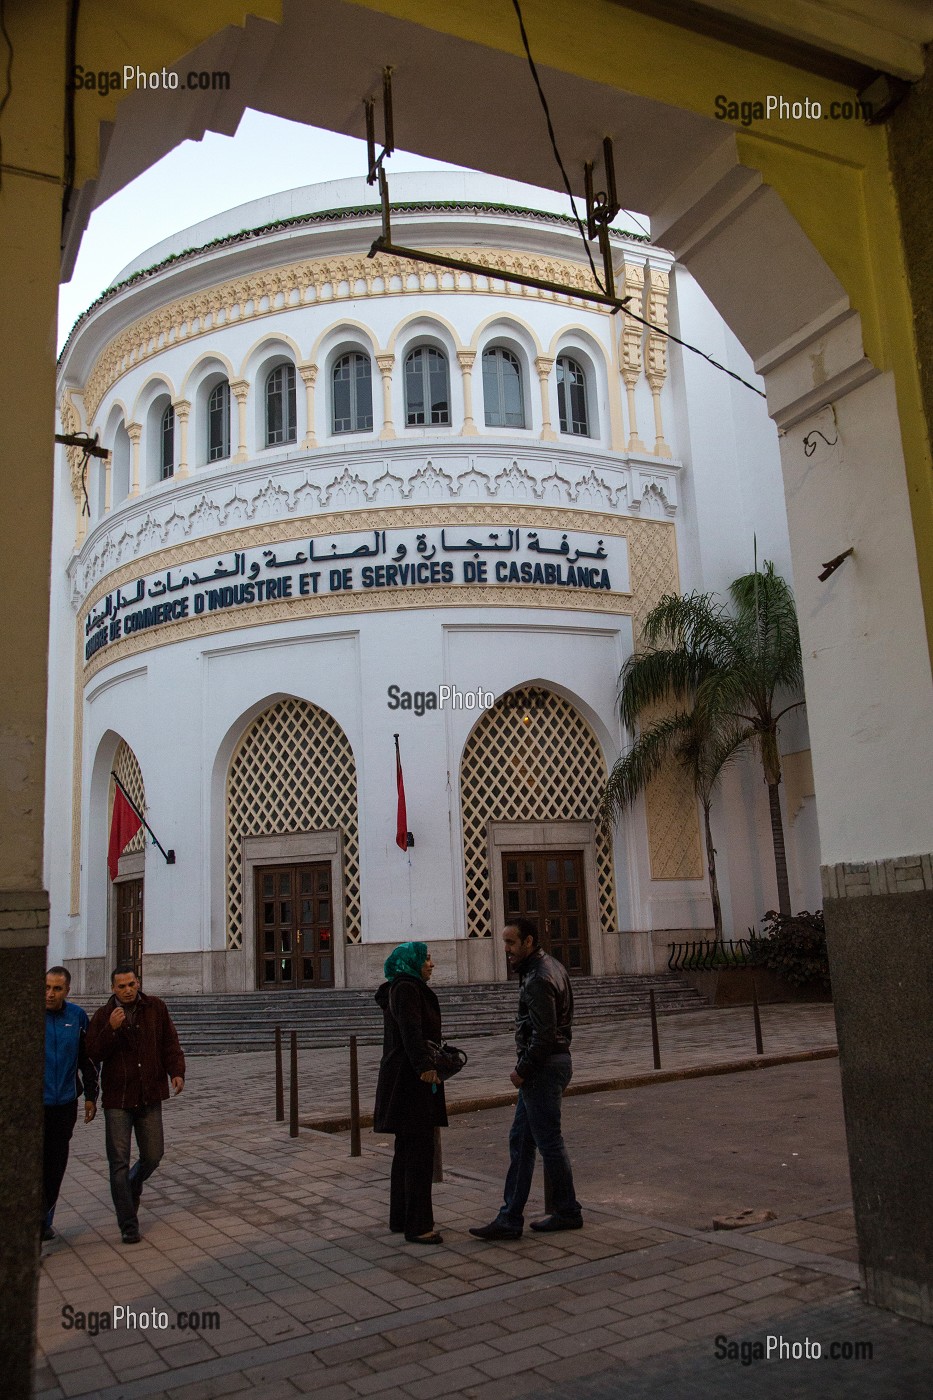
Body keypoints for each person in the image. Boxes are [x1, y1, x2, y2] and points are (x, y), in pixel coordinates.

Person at [470, 918, 583, 1240]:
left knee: (548, 1141)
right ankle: (510, 1217)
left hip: (543, 1068)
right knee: (522, 1140)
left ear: (529, 942)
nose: (506, 950)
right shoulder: (553, 967)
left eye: (511, 943)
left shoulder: (537, 977)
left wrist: (523, 1069)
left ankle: (567, 1210)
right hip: (551, 1065)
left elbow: (545, 1035)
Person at [86, 966, 185, 1244]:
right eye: (121, 986)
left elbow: (169, 1041)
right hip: (118, 1098)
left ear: (138, 983)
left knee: (153, 1154)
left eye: (131, 984)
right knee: (118, 1162)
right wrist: (112, 1030)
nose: (128, 990)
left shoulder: (155, 1007)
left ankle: (132, 1184)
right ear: (112, 989)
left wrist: (176, 1071)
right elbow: (93, 1052)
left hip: (149, 1093)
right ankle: (128, 1224)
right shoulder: (104, 1016)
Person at [373, 941, 447, 1244]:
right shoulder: (406, 989)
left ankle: (401, 1217)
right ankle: (419, 1225)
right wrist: (424, 1067)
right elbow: (411, 1031)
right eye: (426, 959)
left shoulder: (402, 987)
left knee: (406, 1150)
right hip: (411, 1080)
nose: (431, 964)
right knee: (418, 1151)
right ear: (411, 962)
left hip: (404, 1078)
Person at [42, 966, 99, 1242]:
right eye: (47, 987)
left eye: (56, 989)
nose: (50, 994)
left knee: (55, 1164)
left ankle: (44, 1219)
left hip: (64, 1103)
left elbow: (86, 1059)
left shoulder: (76, 1017)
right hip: (35, 1106)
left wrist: (90, 1095)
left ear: (67, 991)